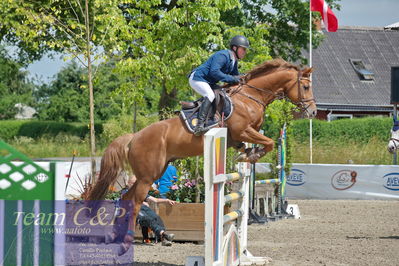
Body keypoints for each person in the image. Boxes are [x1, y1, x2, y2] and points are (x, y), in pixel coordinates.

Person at [188, 35, 250, 135]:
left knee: (223, 94)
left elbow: (235, 76)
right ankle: (199, 126)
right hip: (198, 78)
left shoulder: (233, 61)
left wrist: (245, 77)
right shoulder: (223, 56)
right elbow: (214, 72)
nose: (245, 52)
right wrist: (233, 78)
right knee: (210, 95)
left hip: (208, 82)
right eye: (243, 49)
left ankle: (213, 119)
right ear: (235, 48)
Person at [120, 174, 177, 246]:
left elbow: (155, 200)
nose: (135, 185)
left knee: (156, 217)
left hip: (143, 208)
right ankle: (164, 235)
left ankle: (164, 239)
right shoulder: (125, 191)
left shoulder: (140, 192)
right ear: (128, 183)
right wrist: (142, 202)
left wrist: (167, 200)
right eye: (133, 183)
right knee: (145, 218)